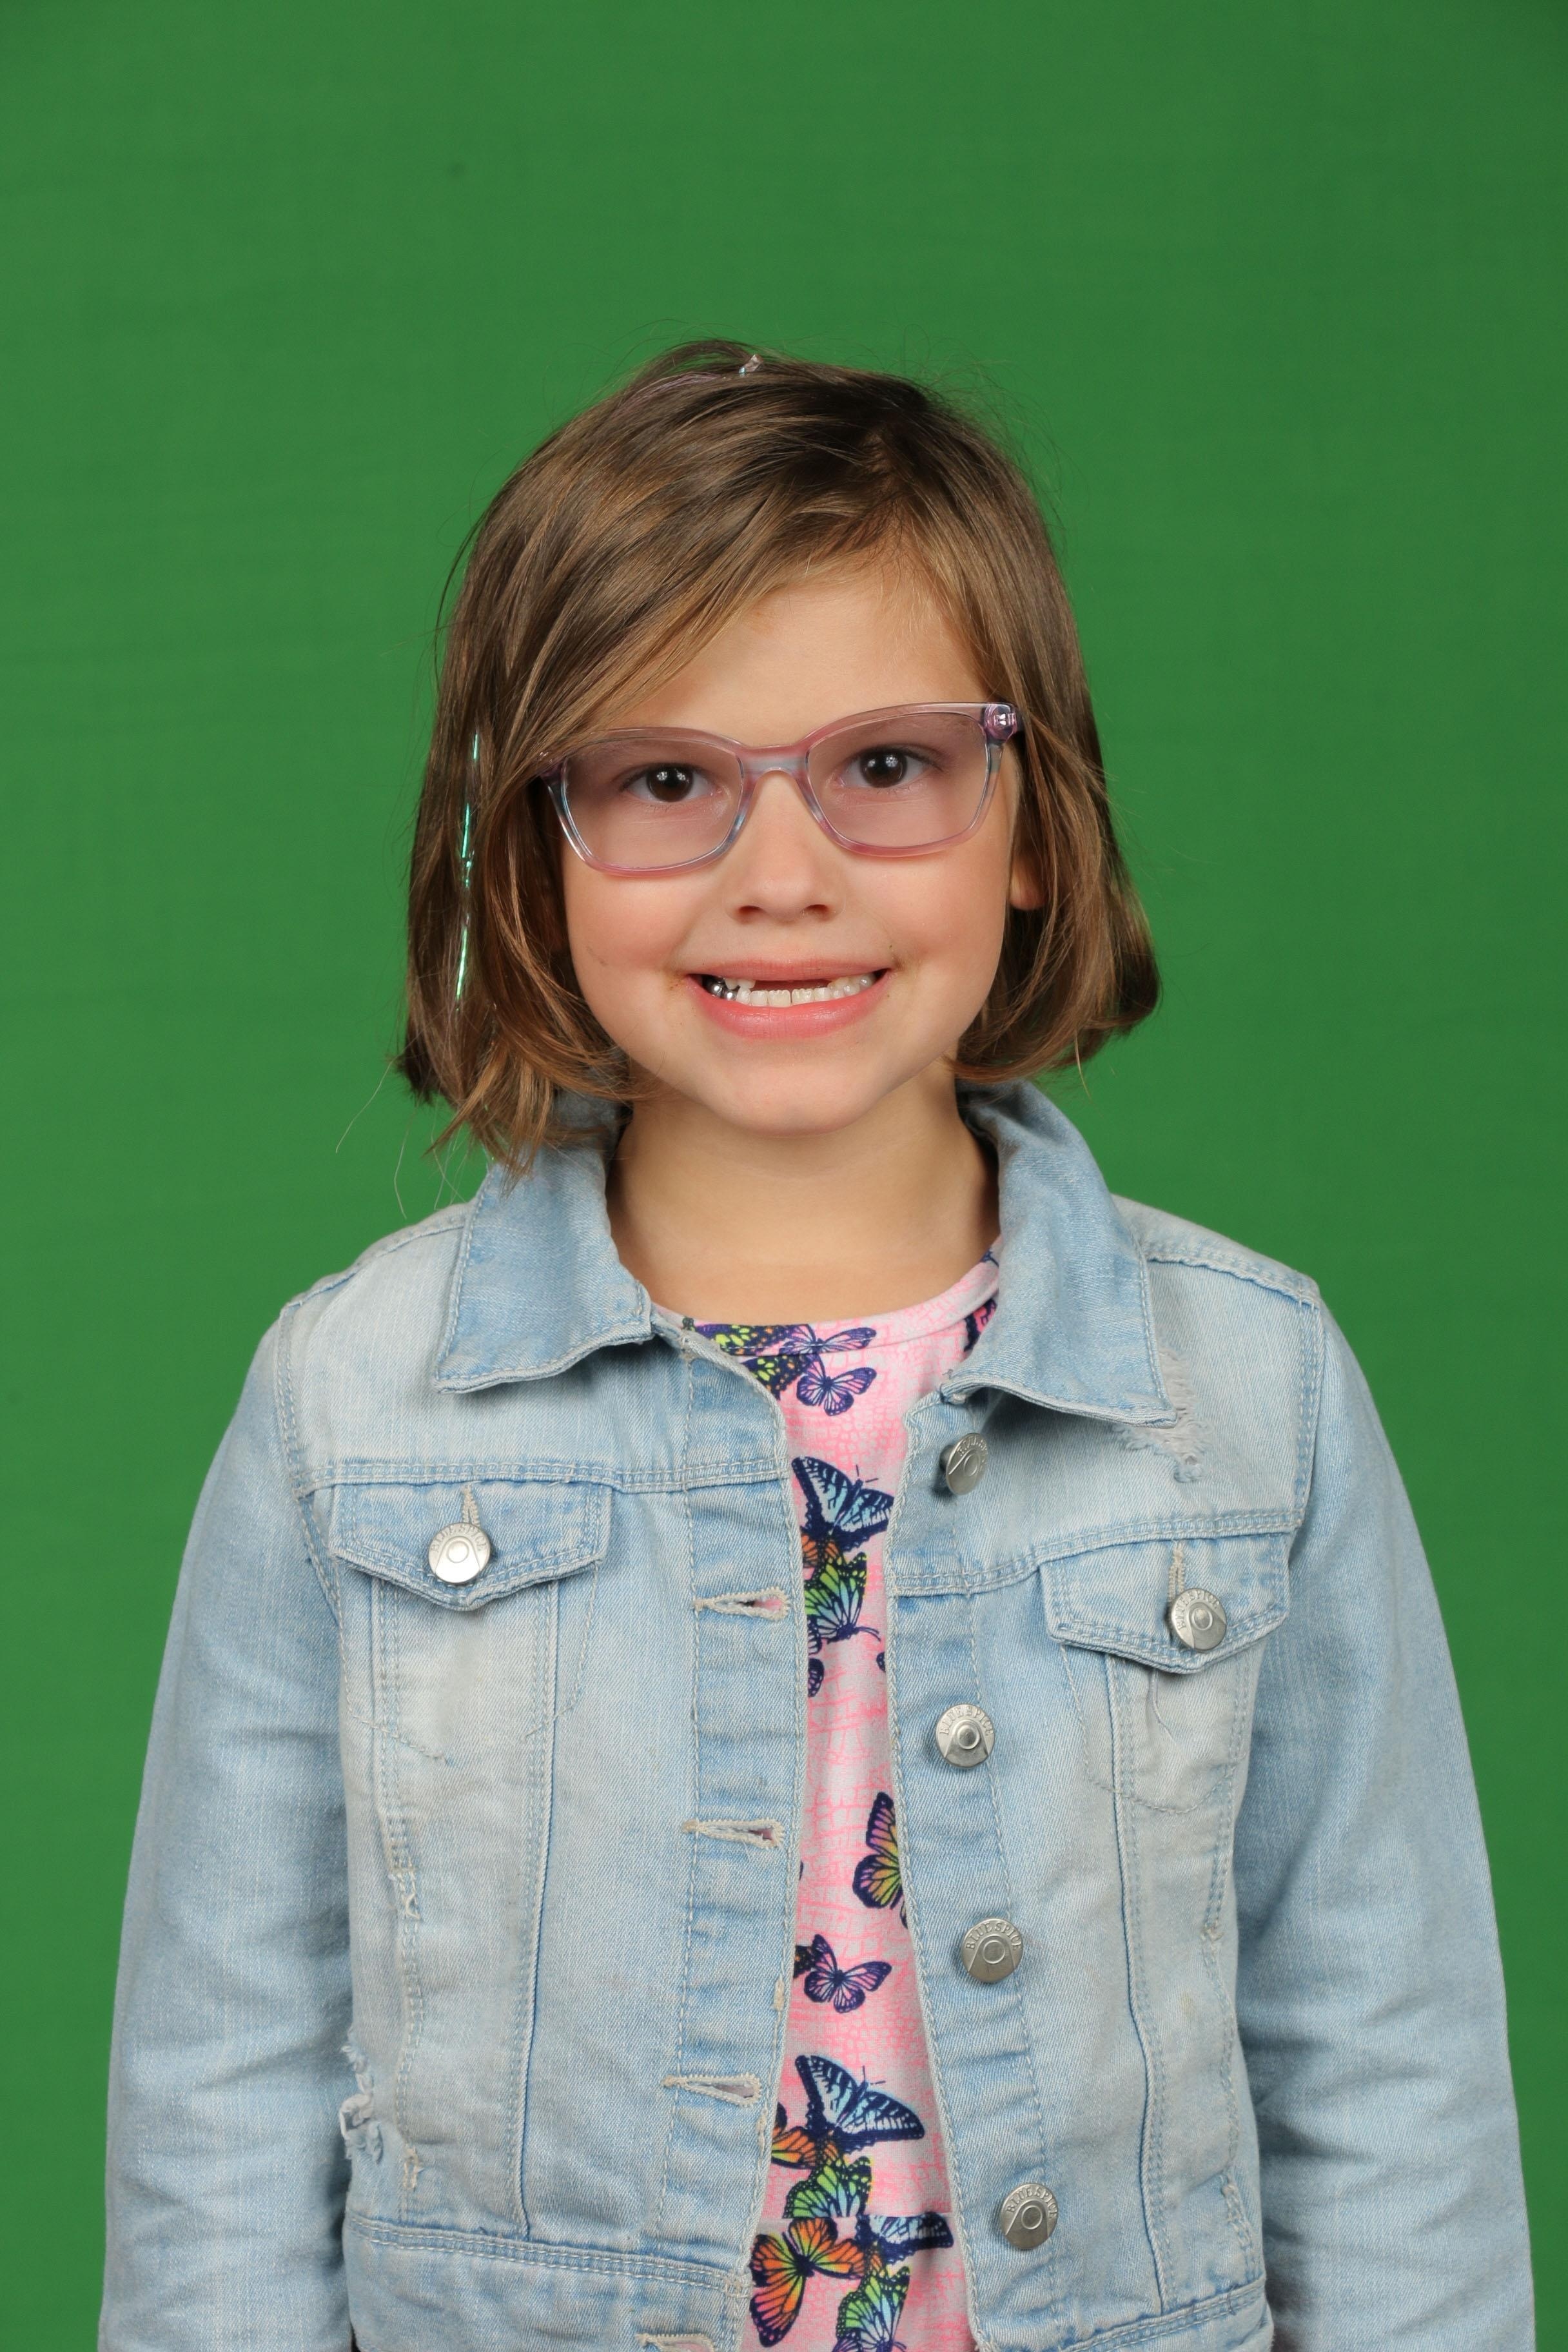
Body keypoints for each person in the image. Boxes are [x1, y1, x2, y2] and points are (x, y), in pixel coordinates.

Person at [101, 342, 1533, 2352]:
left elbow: (1387, 2073)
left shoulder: (1250, 1393)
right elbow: (223, 2098)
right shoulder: (351, 1408)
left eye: (885, 767)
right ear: (534, 843)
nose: (782, 877)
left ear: (1030, 822)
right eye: (665, 780)